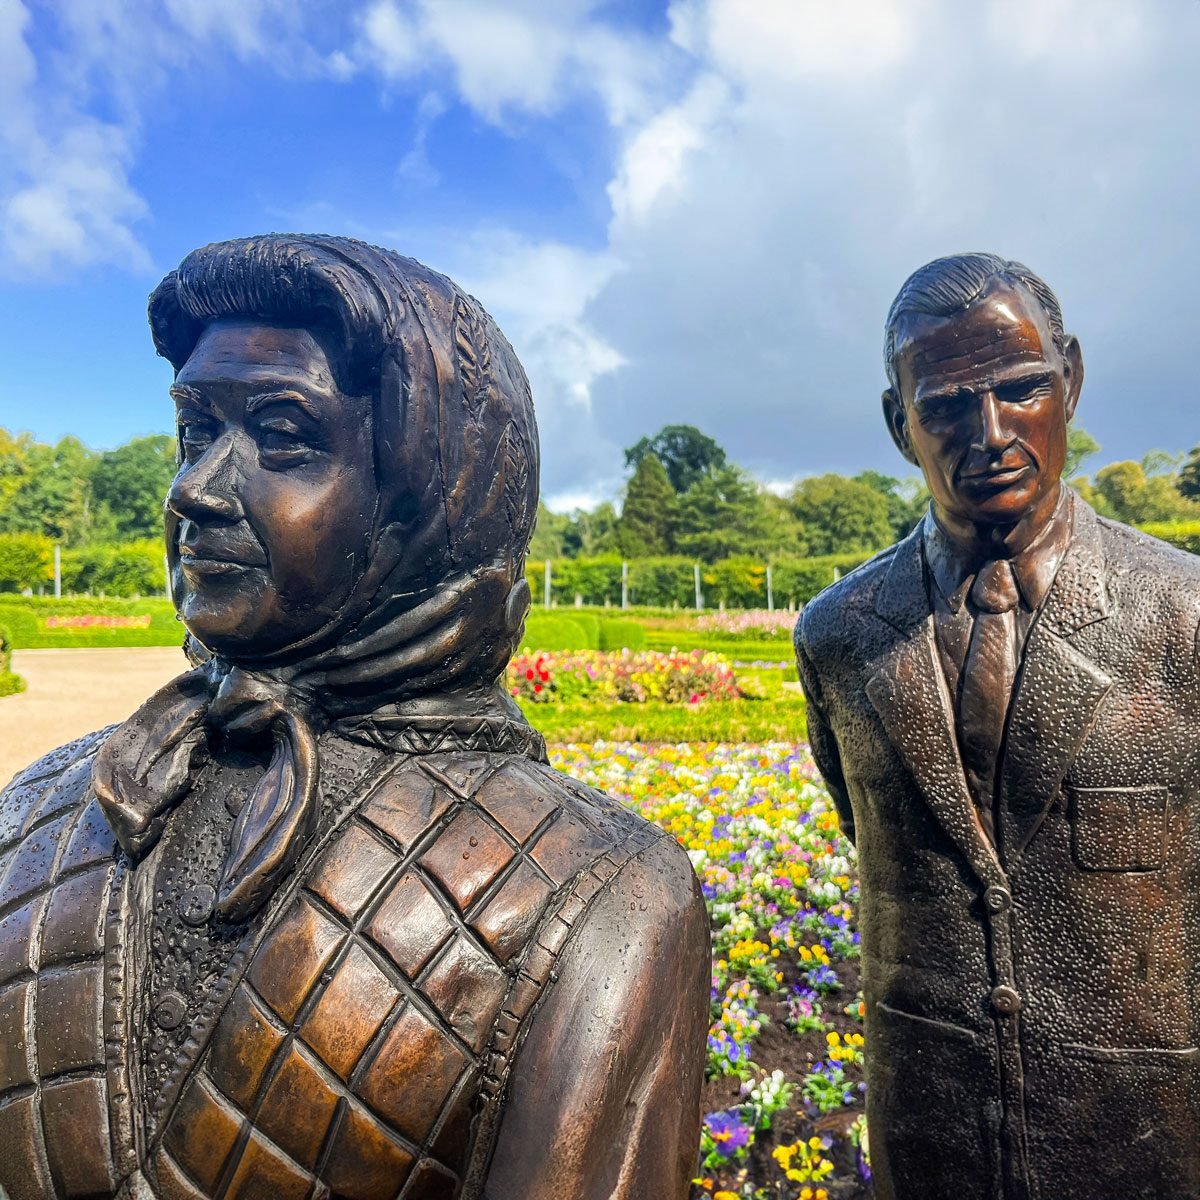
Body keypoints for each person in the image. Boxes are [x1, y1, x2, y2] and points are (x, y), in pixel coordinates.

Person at [0, 235, 709, 1200]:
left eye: (282, 437)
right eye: (196, 430)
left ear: (430, 496)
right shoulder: (37, 808)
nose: (193, 489)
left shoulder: (598, 893)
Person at [795, 252, 1200, 1200]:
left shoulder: (1185, 619)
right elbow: (874, 836)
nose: (991, 432)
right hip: (928, 1132)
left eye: (1022, 390)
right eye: (945, 407)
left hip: (1146, 1140)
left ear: (1072, 383)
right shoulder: (839, 636)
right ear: (901, 425)